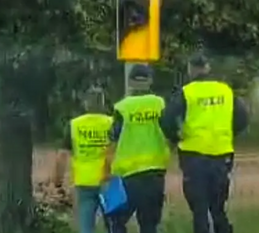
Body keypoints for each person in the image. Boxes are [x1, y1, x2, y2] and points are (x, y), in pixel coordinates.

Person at [159, 53, 249, 233]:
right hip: (222, 154)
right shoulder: (224, 90)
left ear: (191, 70)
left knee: (200, 209)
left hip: (194, 156)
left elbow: (166, 119)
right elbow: (243, 117)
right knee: (218, 207)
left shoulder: (187, 92)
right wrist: (228, 133)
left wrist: (176, 137)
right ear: (208, 68)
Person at [103, 64, 171, 233]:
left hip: (129, 175)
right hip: (155, 172)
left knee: (116, 220)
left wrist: (106, 169)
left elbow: (112, 140)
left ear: (131, 82)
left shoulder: (122, 107)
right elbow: (170, 132)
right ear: (150, 81)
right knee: (149, 224)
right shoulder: (159, 104)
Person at [52, 87, 112, 233]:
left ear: (86, 104)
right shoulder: (112, 123)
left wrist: (57, 180)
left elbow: (62, 156)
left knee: (86, 227)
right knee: (113, 225)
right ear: (103, 104)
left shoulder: (74, 125)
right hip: (108, 181)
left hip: (84, 182)